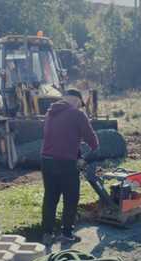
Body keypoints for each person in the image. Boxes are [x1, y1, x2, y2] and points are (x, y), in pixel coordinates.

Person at [40, 89, 99, 245]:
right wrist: (84, 157)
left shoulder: (50, 113)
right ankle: (66, 234)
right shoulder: (77, 114)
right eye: (80, 104)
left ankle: (47, 233)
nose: (80, 107)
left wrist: (77, 152)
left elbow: (61, 137)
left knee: (50, 198)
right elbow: (93, 142)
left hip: (46, 161)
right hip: (66, 163)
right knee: (71, 198)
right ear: (77, 100)